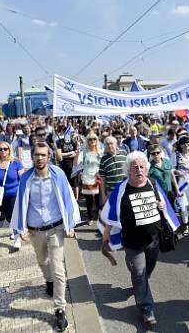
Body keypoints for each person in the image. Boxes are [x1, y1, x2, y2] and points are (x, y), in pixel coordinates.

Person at [101, 151, 180, 327]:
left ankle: (140, 285)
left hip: (154, 240)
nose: (139, 170)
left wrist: (162, 207)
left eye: (141, 166)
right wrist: (106, 236)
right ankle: (146, 308)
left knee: (146, 272)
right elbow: (111, 214)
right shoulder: (121, 189)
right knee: (138, 272)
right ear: (128, 170)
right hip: (132, 243)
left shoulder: (153, 184)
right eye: (134, 167)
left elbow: (164, 205)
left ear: (146, 168)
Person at [9, 142, 81, 333]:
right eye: (36, 155)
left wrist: (71, 224)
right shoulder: (26, 178)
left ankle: (60, 308)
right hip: (35, 230)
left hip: (56, 227)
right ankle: (47, 279)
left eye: (43, 155)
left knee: (59, 269)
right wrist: (20, 227)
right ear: (32, 157)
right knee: (42, 261)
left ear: (49, 157)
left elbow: (69, 199)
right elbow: (21, 203)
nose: (40, 158)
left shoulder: (58, 174)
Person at [0, 142, 25, 248]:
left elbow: (22, 178)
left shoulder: (15, 162)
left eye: (5, 149)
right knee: (7, 216)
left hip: (14, 194)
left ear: (9, 150)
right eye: (0, 149)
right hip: (0, 196)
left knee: (13, 215)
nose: (3, 151)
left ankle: (17, 238)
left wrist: (26, 192)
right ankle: (14, 229)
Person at [78, 133, 104, 225]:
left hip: (97, 178)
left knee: (98, 199)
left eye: (94, 139)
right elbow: (76, 163)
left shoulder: (100, 151)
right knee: (88, 200)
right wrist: (77, 152)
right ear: (87, 141)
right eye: (90, 139)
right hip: (87, 178)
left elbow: (103, 163)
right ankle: (90, 217)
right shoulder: (84, 152)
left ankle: (97, 216)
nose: (92, 141)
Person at [99, 136, 128, 204]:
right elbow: (102, 179)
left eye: (111, 143)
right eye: (107, 144)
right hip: (112, 192)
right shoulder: (103, 159)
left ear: (116, 144)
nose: (109, 145)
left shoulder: (124, 153)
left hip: (125, 189)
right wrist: (103, 195)